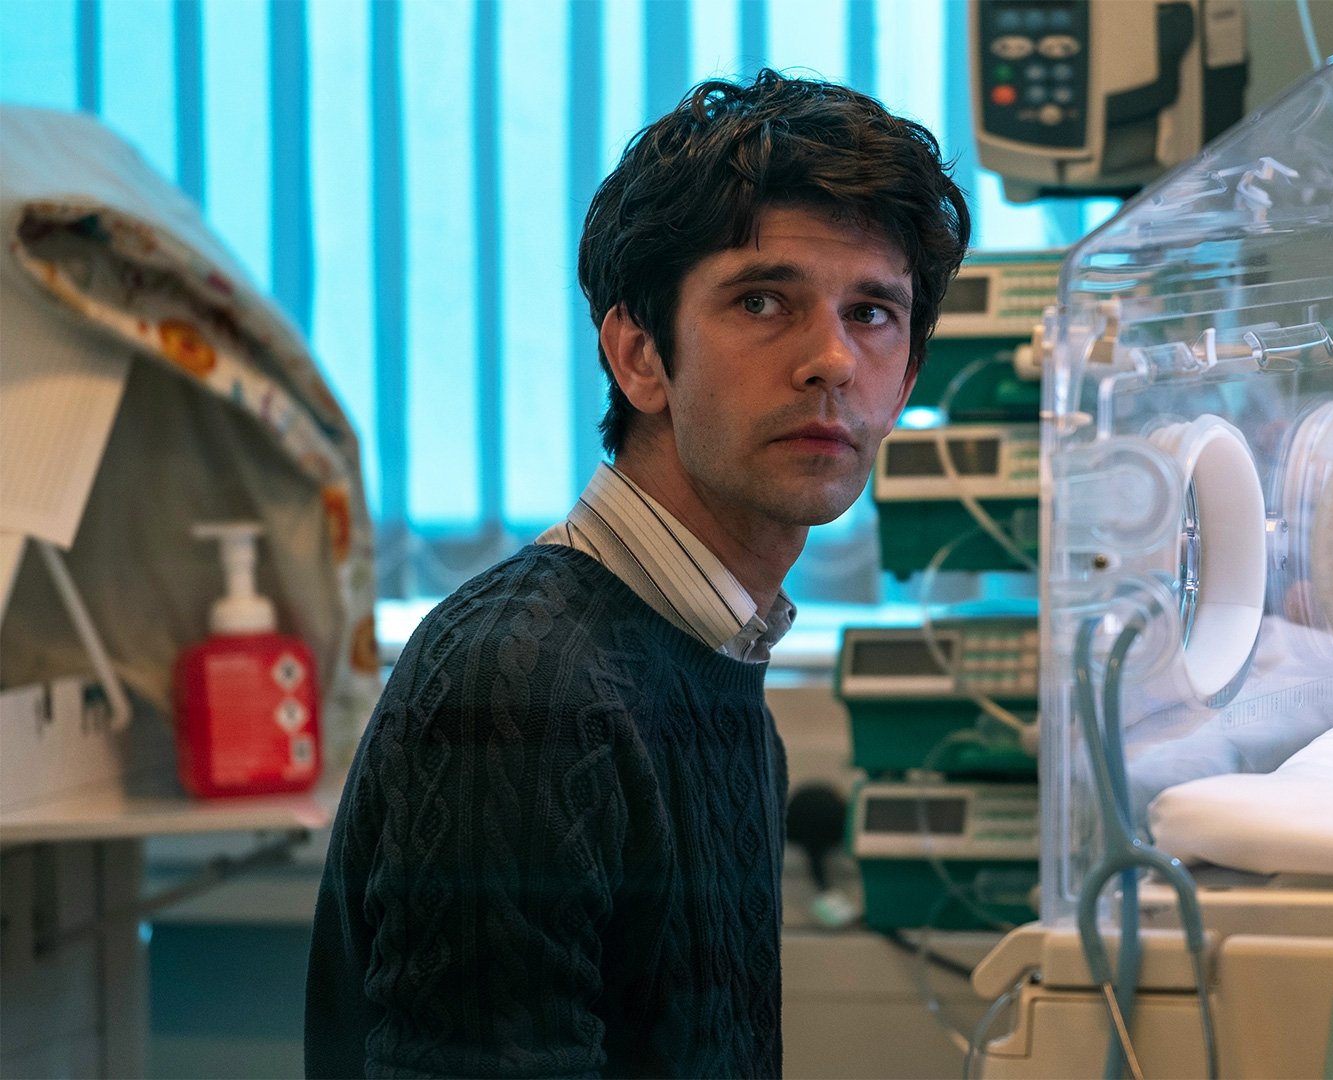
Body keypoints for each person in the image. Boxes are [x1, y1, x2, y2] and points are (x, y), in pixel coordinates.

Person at [306, 70, 970, 1078]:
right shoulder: (525, 686)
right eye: (763, 301)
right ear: (639, 357)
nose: (832, 360)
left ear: (908, 376)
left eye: (873, 313)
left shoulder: (715, 652)